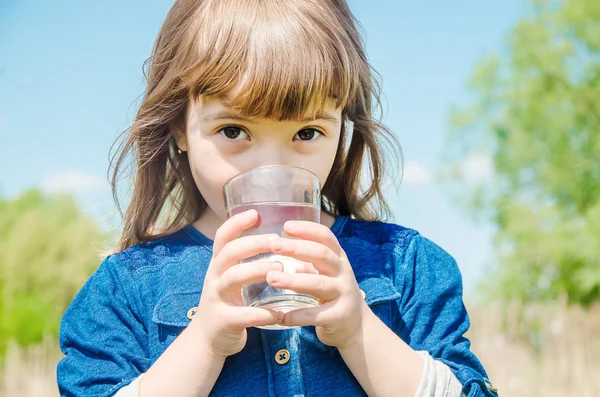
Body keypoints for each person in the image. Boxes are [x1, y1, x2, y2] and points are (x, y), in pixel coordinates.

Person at [57, 0, 498, 396]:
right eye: (234, 131)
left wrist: (358, 329)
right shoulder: (125, 289)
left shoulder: (408, 267)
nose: (270, 169)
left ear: (341, 128)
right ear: (179, 127)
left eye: (306, 133)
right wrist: (204, 342)